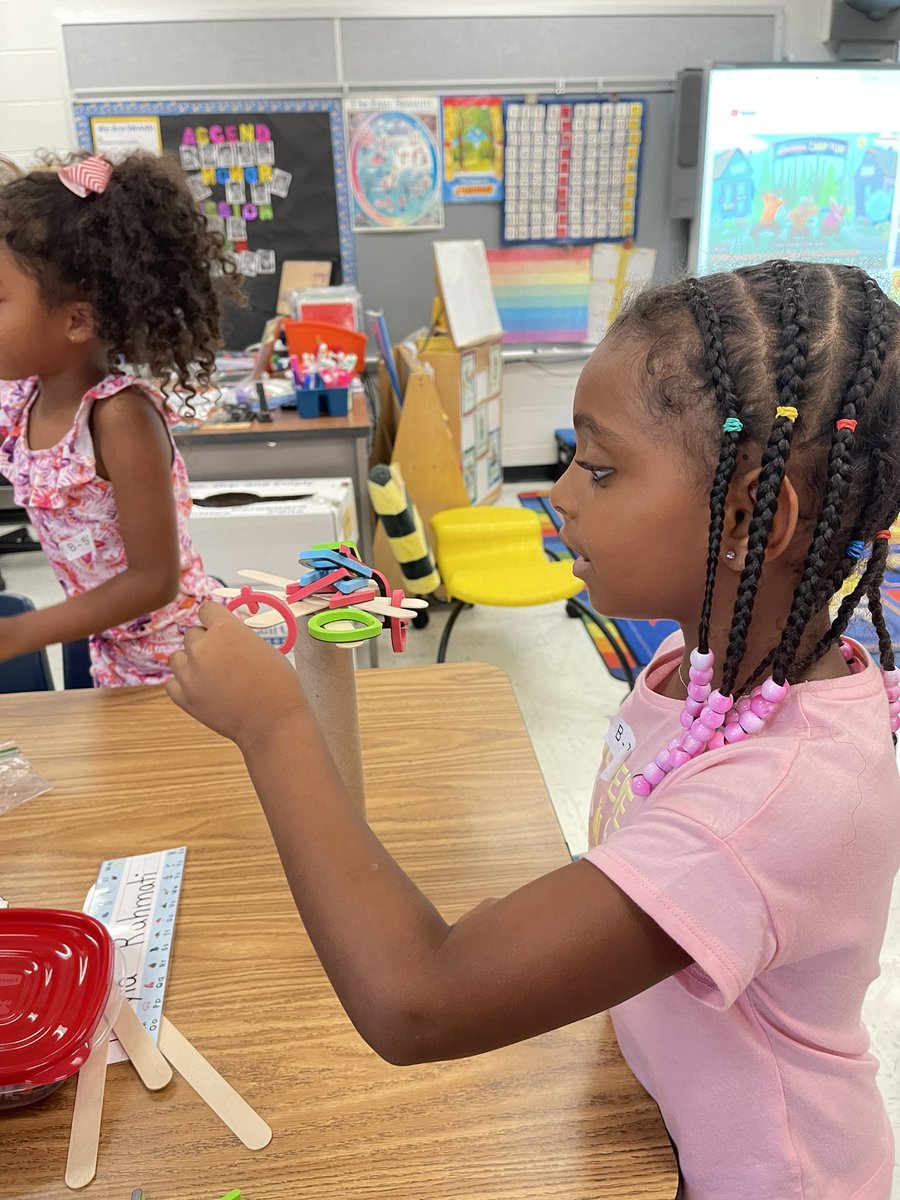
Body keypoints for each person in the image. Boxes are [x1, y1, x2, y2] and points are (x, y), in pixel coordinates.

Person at [166, 260, 900, 1199]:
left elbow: (417, 1002)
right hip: (645, 1116)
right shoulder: (705, 669)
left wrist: (270, 724)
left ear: (754, 511)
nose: (559, 493)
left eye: (599, 467)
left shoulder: (777, 799)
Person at [0, 152, 239, 685]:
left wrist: (20, 634)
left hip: (182, 665)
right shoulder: (20, 400)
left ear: (77, 319)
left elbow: (154, 580)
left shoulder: (119, 418)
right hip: (113, 654)